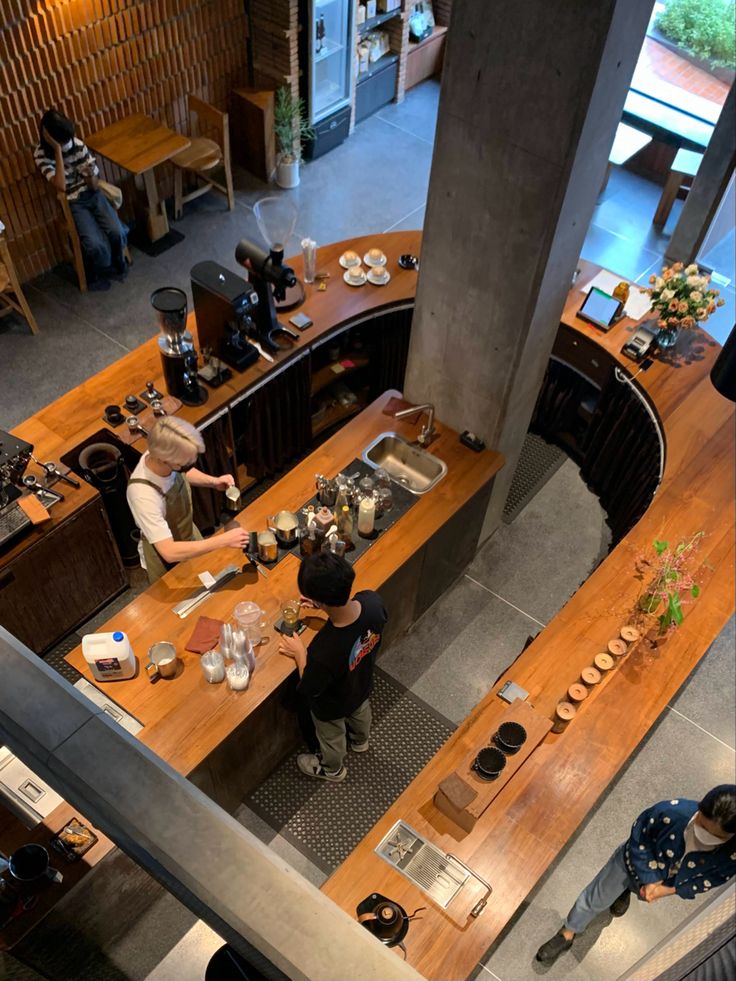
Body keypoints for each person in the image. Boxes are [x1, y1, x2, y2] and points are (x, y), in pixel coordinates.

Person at [536, 785, 736, 965]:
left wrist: (665, 890)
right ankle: (567, 933)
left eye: (716, 836)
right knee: (594, 898)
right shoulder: (673, 812)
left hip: (661, 883)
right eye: (701, 823)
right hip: (629, 862)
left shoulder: (731, 855)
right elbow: (639, 836)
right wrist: (650, 877)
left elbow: (709, 880)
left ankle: (624, 893)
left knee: (631, 890)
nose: (703, 835)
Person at [278, 552, 387, 783]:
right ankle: (360, 741)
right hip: (361, 683)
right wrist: (325, 607)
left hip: (332, 705)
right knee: (361, 712)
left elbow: (310, 686)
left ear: (317, 600)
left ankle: (332, 769)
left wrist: (300, 653)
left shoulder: (323, 650)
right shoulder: (373, 602)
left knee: (332, 738)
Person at [126, 416, 248, 583]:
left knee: (206, 578)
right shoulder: (143, 495)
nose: (189, 465)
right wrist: (223, 540)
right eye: (186, 463)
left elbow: (182, 472)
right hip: (167, 554)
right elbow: (168, 551)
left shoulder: (161, 454)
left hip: (187, 532)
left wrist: (213, 482)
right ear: (164, 460)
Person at [34, 108, 128, 291]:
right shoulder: (41, 154)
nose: (68, 144)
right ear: (49, 137)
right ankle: (100, 266)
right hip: (73, 202)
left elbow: (93, 185)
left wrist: (90, 175)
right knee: (95, 245)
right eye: (62, 141)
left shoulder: (77, 145)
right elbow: (60, 185)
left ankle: (117, 262)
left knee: (117, 232)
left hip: (92, 193)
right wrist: (58, 152)